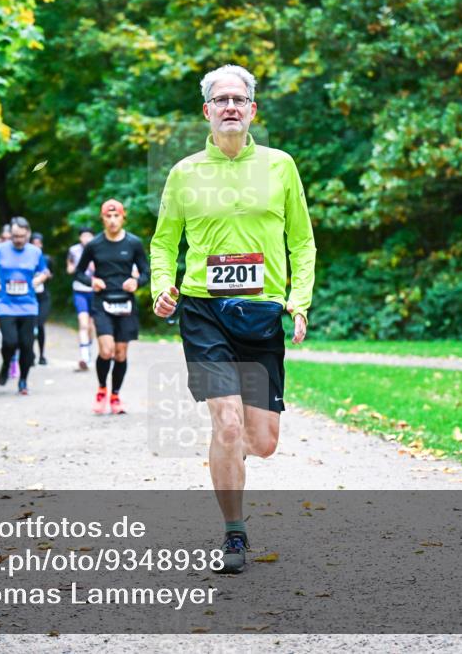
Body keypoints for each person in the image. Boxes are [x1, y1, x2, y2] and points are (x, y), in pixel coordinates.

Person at [150, 64, 316, 574]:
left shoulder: (280, 166)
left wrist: (299, 300)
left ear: (252, 110)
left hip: (261, 312)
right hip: (203, 310)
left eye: (238, 99)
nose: (229, 106)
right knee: (226, 423)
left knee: (262, 442)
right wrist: (162, 287)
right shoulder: (184, 173)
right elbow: (163, 243)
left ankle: (230, 456)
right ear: (207, 110)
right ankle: (234, 533)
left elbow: (302, 241)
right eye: (220, 99)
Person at [74, 200, 149, 414]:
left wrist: (136, 282)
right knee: (106, 351)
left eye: (116, 216)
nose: (113, 220)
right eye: (108, 216)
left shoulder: (134, 243)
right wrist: (92, 281)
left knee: (120, 353)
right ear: (103, 219)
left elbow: (146, 271)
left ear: (123, 217)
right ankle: (101, 390)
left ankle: (115, 396)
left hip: (125, 302)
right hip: (103, 302)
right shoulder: (94, 245)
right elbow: (79, 272)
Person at [0, 218, 49, 395]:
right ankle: (6, 365)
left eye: (21, 236)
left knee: (27, 345)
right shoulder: (0, 250)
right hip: (6, 304)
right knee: (10, 341)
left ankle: (23, 380)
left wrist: (38, 280)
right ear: (10, 235)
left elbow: (44, 272)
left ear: (28, 234)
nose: (18, 240)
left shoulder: (35, 252)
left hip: (28, 305)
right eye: (15, 236)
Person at [67, 227, 96, 370]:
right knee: (83, 324)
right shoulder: (73, 250)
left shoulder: (98, 249)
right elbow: (69, 269)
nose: (86, 239)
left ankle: (89, 351)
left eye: (89, 236)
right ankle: (84, 357)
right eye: (84, 236)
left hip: (95, 290)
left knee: (91, 326)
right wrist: (79, 266)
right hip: (79, 290)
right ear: (80, 238)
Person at [30, 232, 53, 365]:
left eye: (39, 243)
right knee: (30, 326)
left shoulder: (46, 259)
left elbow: (51, 275)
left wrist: (46, 276)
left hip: (43, 297)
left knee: (40, 325)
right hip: (30, 297)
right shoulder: (25, 260)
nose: (37, 246)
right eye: (34, 243)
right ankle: (30, 354)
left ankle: (42, 355)